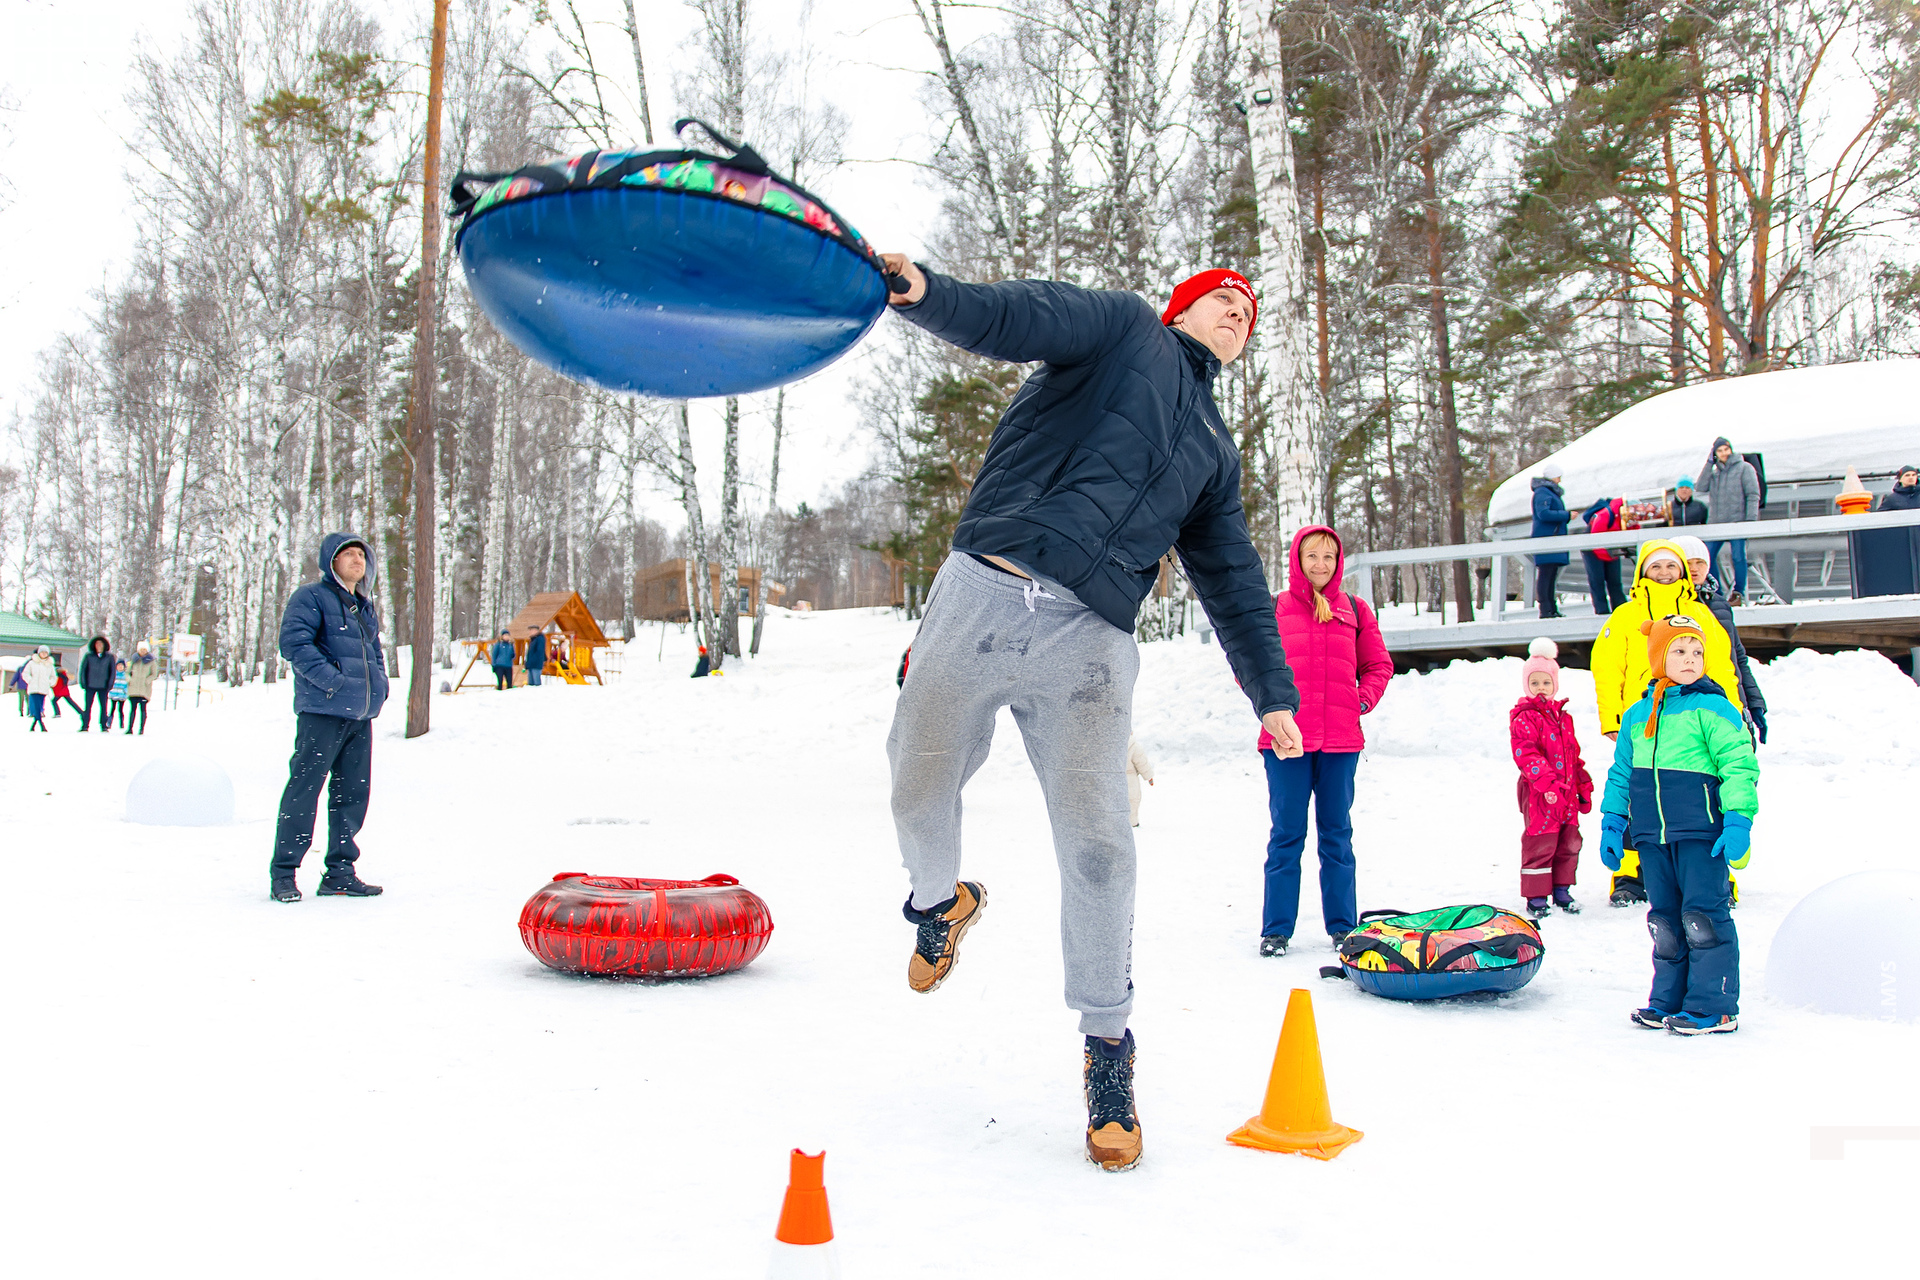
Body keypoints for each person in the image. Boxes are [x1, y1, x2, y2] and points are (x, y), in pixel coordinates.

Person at [879, 253, 1303, 1173]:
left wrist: (1272, 693)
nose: (1238, 316)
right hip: (984, 590)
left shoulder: (1214, 452)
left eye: (1249, 315)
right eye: (1224, 301)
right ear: (1181, 307)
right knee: (918, 782)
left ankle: (1108, 1052)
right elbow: (1016, 315)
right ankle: (937, 903)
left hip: (1091, 636)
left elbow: (1231, 578)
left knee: (1102, 842)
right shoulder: (1120, 331)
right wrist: (929, 295)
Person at [1599, 615, 1757, 1035]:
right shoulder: (1637, 715)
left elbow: (1739, 765)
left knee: (1702, 918)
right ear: (1658, 657)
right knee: (1665, 921)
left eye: (1698, 652)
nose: (1691, 659)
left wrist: (1739, 820)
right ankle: (1668, 999)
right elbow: (1621, 774)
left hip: (1700, 832)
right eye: (1680, 651)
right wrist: (1613, 823)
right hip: (1653, 836)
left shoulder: (1714, 707)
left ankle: (1715, 1006)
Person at [1256, 525, 1390, 957]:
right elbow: (1250, 664)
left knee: (1337, 836)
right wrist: (1270, 708)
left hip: (1340, 741)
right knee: (1286, 836)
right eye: (1312, 556)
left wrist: (1361, 700)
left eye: (1329, 557)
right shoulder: (1275, 608)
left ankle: (1343, 927)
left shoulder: (1354, 609)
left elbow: (1378, 665)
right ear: (1297, 558)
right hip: (1285, 741)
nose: (1320, 565)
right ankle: (1276, 931)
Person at [1590, 540, 1746, 906]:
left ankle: (1718, 873)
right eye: (1655, 567)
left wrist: (1731, 711)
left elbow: (1722, 665)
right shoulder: (1625, 616)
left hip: (1695, 720)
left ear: (1681, 571)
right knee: (1638, 795)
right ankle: (1630, 874)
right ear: (1643, 572)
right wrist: (1613, 717)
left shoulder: (1700, 613)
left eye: (1670, 567)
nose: (1663, 573)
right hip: (1642, 722)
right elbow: (1607, 667)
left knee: (1703, 795)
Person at [271, 532, 389, 903]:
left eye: (361, 555)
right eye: (349, 554)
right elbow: (294, 644)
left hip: (359, 716)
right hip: (322, 711)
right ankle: (284, 873)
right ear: (331, 561)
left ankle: (340, 872)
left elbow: (374, 653)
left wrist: (380, 687)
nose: (358, 560)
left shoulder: (363, 605)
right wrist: (332, 682)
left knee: (352, 795)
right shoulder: (311, 597)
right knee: (304, 789)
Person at [1511, 638, 1591, 918]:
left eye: (1546, 683)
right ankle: (1536, 895)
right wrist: (1546, 783)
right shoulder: (1524, 718)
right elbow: (1526, 753)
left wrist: (1582, 781)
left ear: (1555, 685)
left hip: (1566, 794)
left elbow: (1573, 753)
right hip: (1539, 794)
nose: (1541, 689)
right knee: (1540, 842)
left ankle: (1561, 888)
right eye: (1535, 683)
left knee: (1569, 841)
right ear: (1527, 686)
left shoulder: (1563, 718)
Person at [1675, 535, 1767, 745]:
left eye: (1700, 563)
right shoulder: (1671, 606)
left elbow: (1737, 657)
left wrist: (1753, 702)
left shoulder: (1719, 604)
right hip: (1695, 708)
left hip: (1733, 701)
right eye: (1688, 563)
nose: (1695, 569)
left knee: (1742, 769)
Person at [1697, 437, 1761, 602]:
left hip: (1737, 522)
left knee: (1738, 556)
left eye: (1726, 449)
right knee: (1708, 556)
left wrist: (1750, 520)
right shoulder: (1715, 473)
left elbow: (1753, 494)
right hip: (1716, 523)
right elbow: (1700, 487)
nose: (1724, 453)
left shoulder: (1745, 468)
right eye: (1720, 451)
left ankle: (1738, 592)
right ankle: (1716, 591)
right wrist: (1709, 463)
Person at [1530, 467, 1570, 618]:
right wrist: (1565, 515)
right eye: (1558, 476)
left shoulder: (1547, 492)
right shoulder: (1542, 493)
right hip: (1548, 539)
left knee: (1551, 574)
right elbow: (1543, 513)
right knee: (1546, 574)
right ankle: (1545, 609)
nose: (1559, 480)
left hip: (1552, 538)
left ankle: (1551, 608)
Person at [1579, 496, 1628, 614]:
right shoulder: (1605, 514)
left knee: (1615, 580)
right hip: (1592, 549)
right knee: (1597, 580)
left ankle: (1620, 610)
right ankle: (1602, 611)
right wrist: (1609, 555)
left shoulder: (1626, 517)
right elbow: (1596, 538)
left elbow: (1633, 530)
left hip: (1610, 549)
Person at [77, 636, 116, 732]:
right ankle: (85, 725)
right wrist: (83, 682)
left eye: (100, 644)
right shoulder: (89, 656)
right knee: (88, 706)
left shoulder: (109, 657)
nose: (98, 646)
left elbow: (112, 672)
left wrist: (110, 684)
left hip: (103, 686)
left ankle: (103, 725)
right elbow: (83, 670)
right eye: (97, 644)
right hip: (90, 685)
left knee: (104, 706)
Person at [124, 640, 157, 734]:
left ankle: (141, 729)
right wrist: (129, 679)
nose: (143, 651)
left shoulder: (151, 661)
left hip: (144, 689)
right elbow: (127, 672)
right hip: (133, 688)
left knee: (143, 709)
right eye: (141, 649)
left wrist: (147, 680)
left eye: (144, 649)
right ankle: (130, 728)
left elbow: (154, 674)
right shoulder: (134, 660)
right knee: (132, 709)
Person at [23, 645, 56, 731]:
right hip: (33, 688)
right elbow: (25, 673)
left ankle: (33, 725)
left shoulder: (49, 665)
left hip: (43, 689)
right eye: (42, 652)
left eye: (45, 652)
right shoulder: (32, 663)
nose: (44, 654)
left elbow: (53, 677)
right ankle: (42, 725)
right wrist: (30, 680)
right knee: (37, 706)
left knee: (40, 706)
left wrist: (49, 683)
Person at [1125, 735, 1155, 827]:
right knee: (1132, 801)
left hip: (1113, 778)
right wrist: (1149, 776)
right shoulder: (1133, 745)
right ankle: (1133, 822)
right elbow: (1142, 762)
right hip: (1130, 780)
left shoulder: (1109, 743)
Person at [108, 661, 129, 729]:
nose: (120, 667)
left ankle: (121, 723)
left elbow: (128, 685)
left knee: (120, 709)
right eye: (118, 665)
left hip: (122, 695)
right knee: (112, 709)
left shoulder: (126, 675)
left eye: (121, 666)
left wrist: (125, 691)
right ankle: (109, 722)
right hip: (113, 694)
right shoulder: (113, 674)